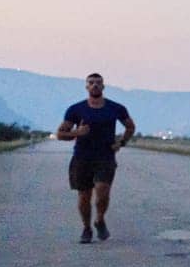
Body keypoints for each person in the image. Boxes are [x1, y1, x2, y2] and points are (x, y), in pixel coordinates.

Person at [54, 73, 136, 244]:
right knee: (84, 196)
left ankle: (99, 219)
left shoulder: (115, 108)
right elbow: (60, 134)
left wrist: (121, 142)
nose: (95, 86)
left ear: (103, 86)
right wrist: (77, 133)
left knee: (102, 192)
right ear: (86, 87)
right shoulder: (76, 109)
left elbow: (130, 126)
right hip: (82, 157)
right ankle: (86, 228)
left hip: (105, 156)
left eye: (98, 83)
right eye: (91, 83)